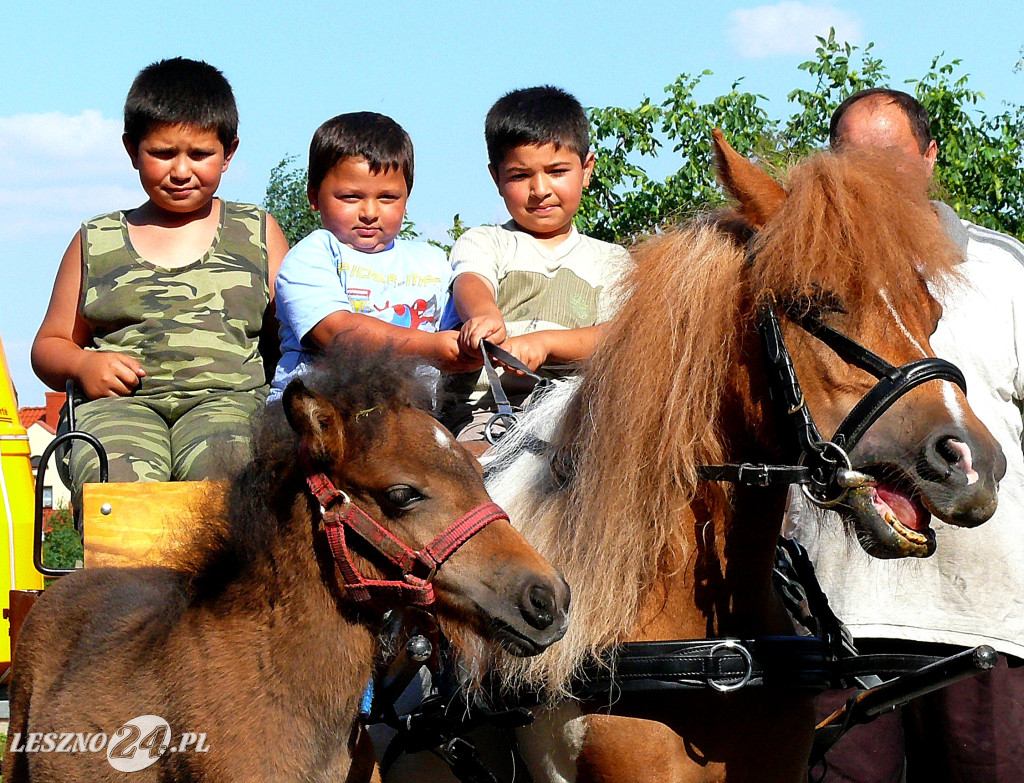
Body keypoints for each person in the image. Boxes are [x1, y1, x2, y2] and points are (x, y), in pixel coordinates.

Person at [787, 88, 1024, 782]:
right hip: (839, 620)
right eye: (852, 160)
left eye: (891, 158)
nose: (874, 178)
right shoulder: (801, 270)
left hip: (985, 616)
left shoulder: (1004, 268)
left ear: (929, 157)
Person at [32, 57, 288, 487]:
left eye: (200, 154)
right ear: (132, 150)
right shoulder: (95, 241)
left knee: (229, 477)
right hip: (119, 409)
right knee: (118, 481)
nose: (181, 171)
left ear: (229, 153)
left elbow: (294, 332)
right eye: (163, 153)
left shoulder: (257, 232)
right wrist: (82, 363)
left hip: (229, 406)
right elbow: (49, 345)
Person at [439, 86, 631, 445]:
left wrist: (546, 343)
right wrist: (484, 316)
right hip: (485, 413)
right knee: (480, 471)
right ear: (496, 178)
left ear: (586, 169)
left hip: (574, 417)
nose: (540, 189)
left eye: (557, 171)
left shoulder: (612, 261)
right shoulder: (486, 241)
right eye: (519, 175)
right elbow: (472, 281)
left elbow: (616, 336)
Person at [271, 112, 479, 400]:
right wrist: (432, 347)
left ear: (407, 199)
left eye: (387, 198)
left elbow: (456, 326)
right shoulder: (313, 255)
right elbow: (336, 333)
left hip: (408, 414)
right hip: (320, 410)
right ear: (314, 197)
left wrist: (477, 336)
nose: (369, 212)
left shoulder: (431, 262)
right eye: (350, 197)